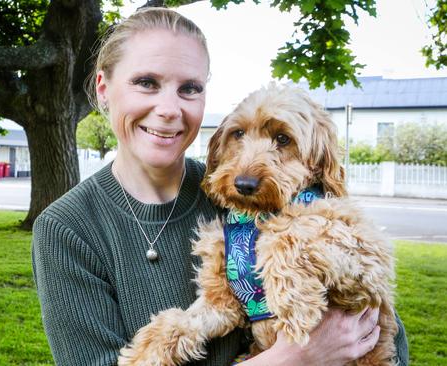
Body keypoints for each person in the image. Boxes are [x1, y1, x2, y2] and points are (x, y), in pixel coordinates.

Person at [32, 7, 408, 366]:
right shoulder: (66, 230)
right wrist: (296, 359)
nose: (168, 109)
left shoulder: (245, 198)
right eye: (146, 83)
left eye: (189, 88)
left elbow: (389, 336)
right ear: (102, 88)